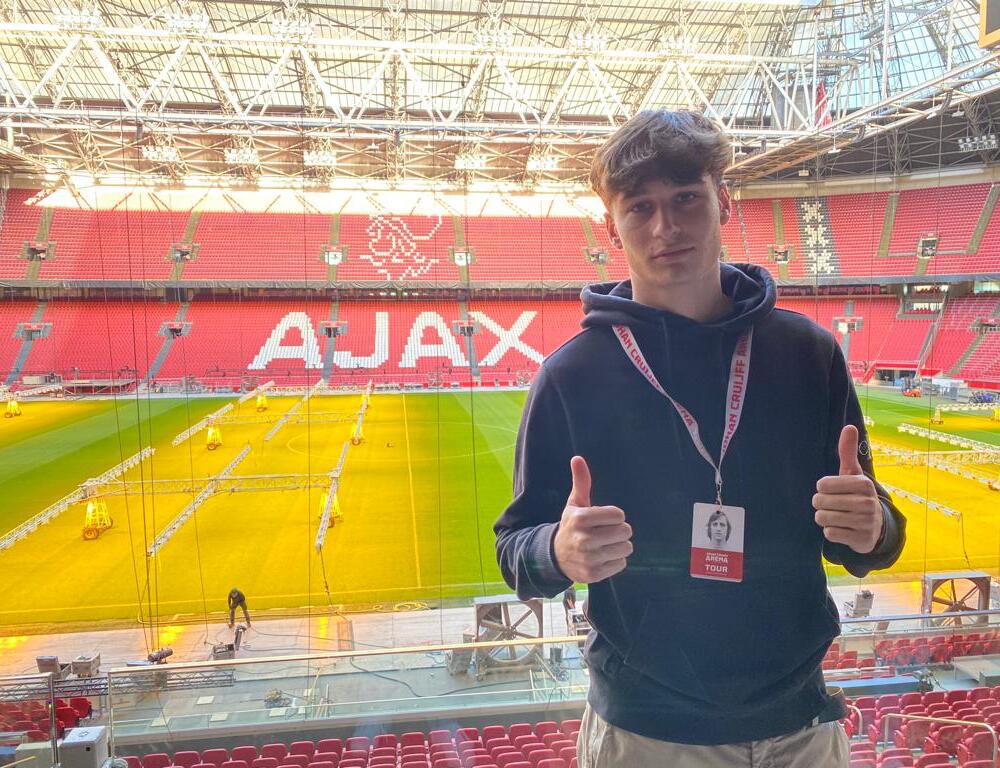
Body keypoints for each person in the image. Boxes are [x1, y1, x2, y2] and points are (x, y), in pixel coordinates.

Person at [493, 110, 905, 767]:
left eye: (686, 199)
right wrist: (557, 549)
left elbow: (866, 530)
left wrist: (873, 527)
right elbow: (516, 548)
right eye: (640, 207)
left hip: (800, 727)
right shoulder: (571, 375)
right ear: (611, 225)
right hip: (646, 737)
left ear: (724, 201)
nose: (666, 228)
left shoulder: (809, 354)